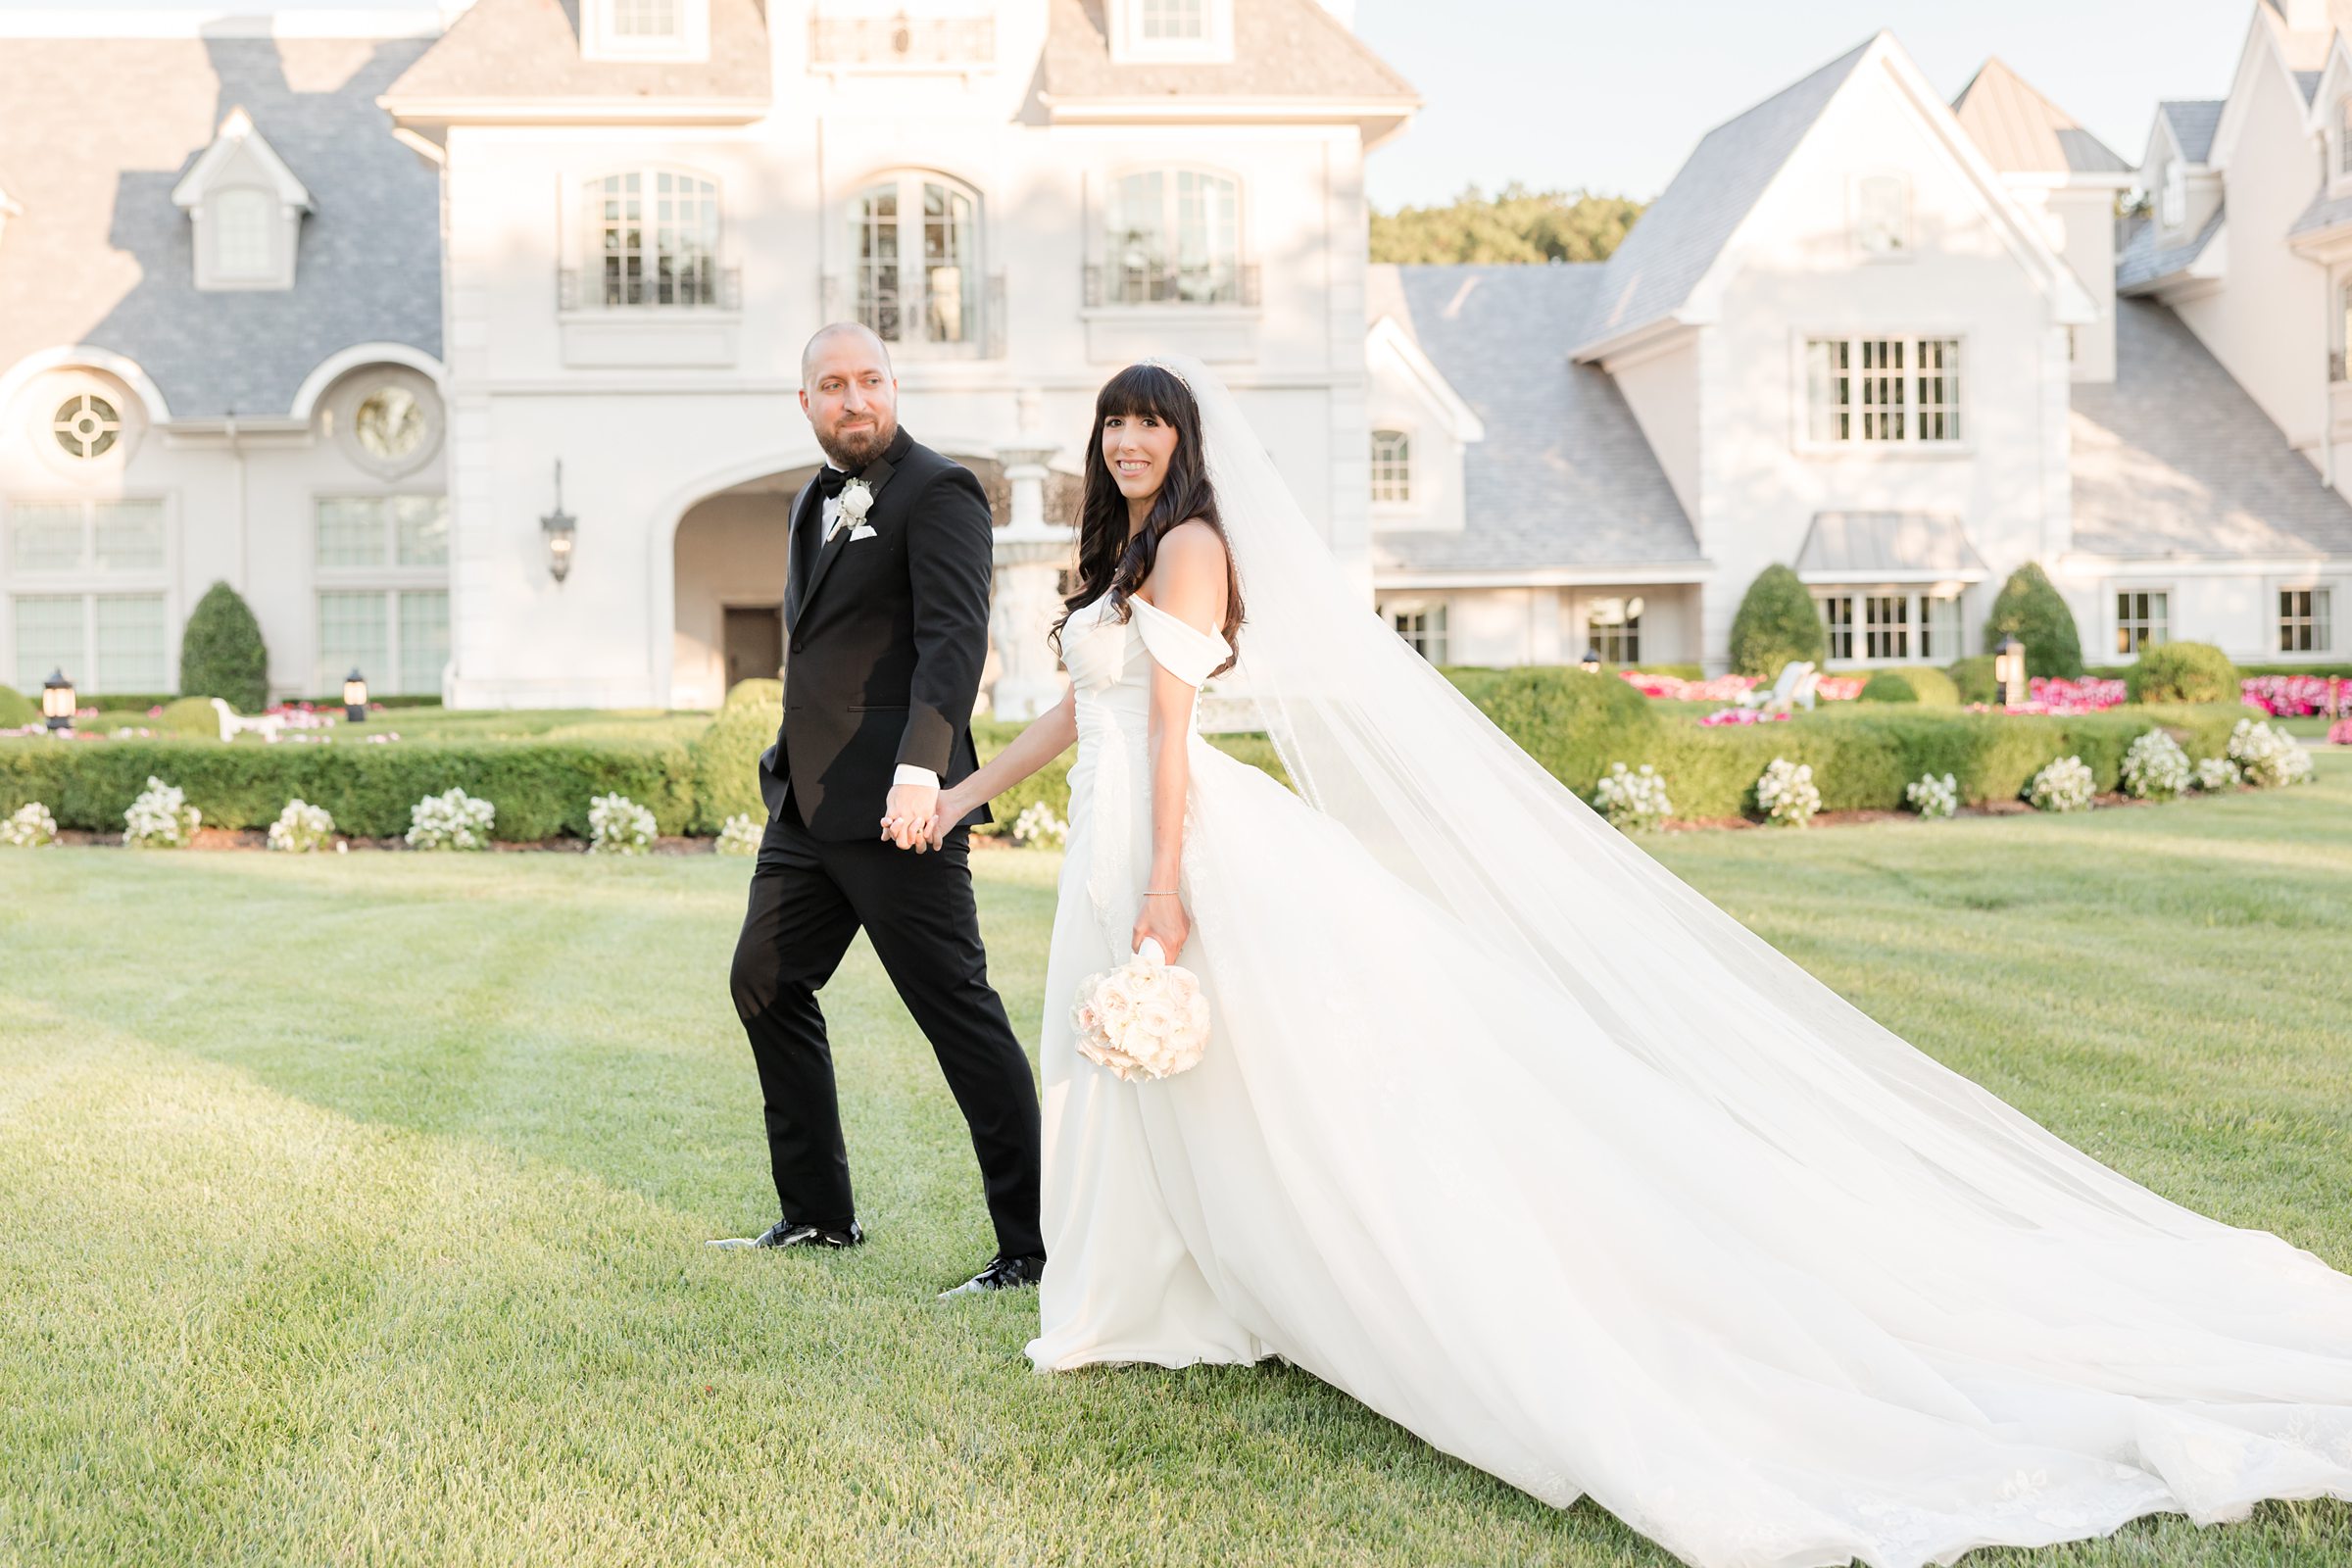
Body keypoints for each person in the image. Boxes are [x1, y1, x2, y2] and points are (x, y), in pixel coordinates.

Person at [919, 355, 2352, 1568]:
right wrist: (963, 795)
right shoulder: (1112, 560)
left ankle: (1260, 1285)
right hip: (1114, 836)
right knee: (1140, 1074)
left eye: (1149, 420)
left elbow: (1171, 737)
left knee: (1282, 1082)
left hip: (1183, 845)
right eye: (1113, 419)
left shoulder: (1189, 546)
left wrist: (1166, 884)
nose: (1126, 438)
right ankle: (1156, 1290)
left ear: (1186, 441)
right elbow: (1074, 720)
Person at [713, 322, 1044, 1299]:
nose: (853, 399)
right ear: (806, 403)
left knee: (960, 1016)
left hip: (904, 808)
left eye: (870, 381)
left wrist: (921, 770)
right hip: (806, 808)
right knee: (764, 982)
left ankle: (1030, 1250)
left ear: (894, 388)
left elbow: (955, 638)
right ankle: (818, 1215)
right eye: (832, 384)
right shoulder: (808, 503)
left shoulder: (939, 491)